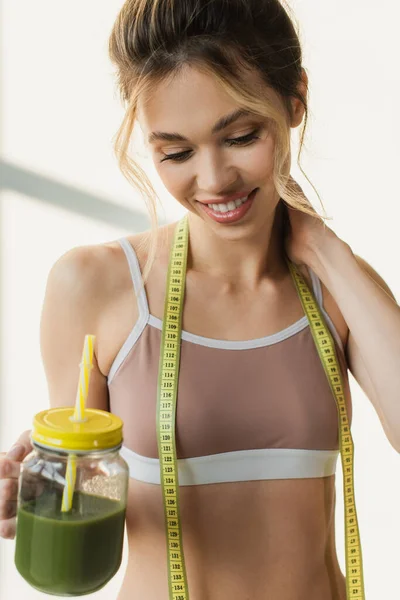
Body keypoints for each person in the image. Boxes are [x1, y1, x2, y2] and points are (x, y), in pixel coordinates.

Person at [1, 1, 399, 598]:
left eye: (240, 137)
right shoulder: (95, 285)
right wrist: (40, 496)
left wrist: (327, 249)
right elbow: (80, 498)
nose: (213, 180)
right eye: (176, 153)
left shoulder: (334, 287)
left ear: (295, 100)